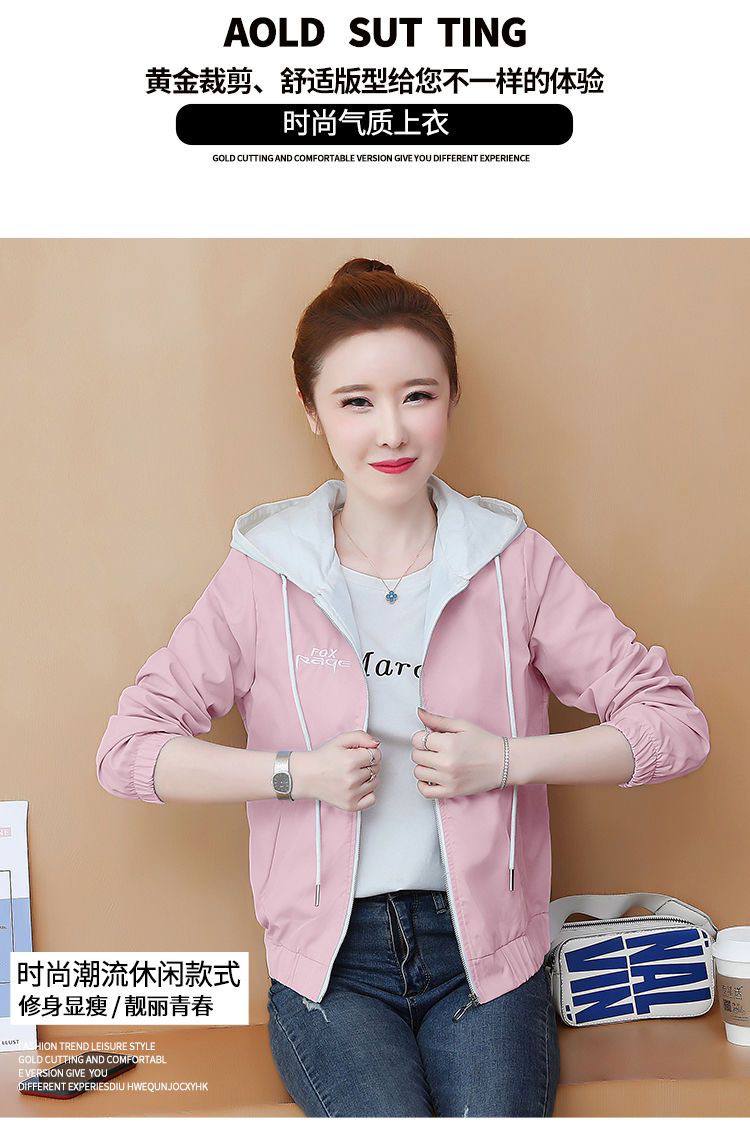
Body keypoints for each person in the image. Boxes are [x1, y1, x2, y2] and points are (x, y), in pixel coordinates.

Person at [95, 258, 711, 1117]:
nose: (391, 431)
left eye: (417, 395)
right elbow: (128, 752)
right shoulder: (263, 574)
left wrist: (505, 760)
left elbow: (675, 726)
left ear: (452, 398)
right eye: (356, 401)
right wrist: (294, 773)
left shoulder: (512, 562)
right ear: (312, 410)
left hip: (486, 957)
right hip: (331, 969)